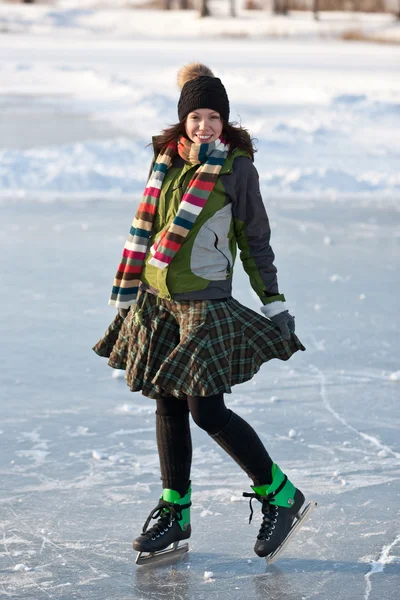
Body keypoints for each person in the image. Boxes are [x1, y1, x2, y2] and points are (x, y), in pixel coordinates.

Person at [93, 63, 309, 563]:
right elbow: (148, 225)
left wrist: (273, 301)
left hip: (205, 302)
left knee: (205, 410)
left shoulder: (237, 169)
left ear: (226, 121)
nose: (205, 126)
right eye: (196, 116)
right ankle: (177, 510)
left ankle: (280, 493)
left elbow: (255, 241)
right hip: (155, 299)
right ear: (183, 120)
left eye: (214, 116)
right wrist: (133, 288)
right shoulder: (165, 160)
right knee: (166, 404)